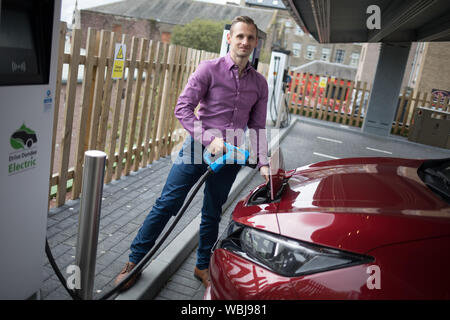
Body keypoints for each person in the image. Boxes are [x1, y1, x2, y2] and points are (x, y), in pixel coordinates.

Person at [114, 16, 270, 290]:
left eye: (250, 38)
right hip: (196, 149)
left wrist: (264, 164)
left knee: (212, 213)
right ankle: (135, 262)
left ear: (256, 43)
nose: (245, 42)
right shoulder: (209, 69)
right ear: (229, 38)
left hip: (230, 155)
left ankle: (201, 266)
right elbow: (183, 108)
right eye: (240, 36)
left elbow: (257, 126)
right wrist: (209, 139)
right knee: (167, 204)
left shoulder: (259, 84)